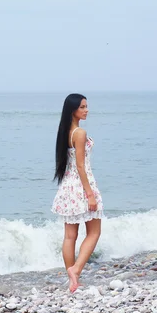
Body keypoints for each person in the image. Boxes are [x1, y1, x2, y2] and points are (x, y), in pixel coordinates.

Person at [51, 93, 104, 293]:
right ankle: (76, 270)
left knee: (69, 236)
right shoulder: (79, 133)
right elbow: (81, 166)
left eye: (86, 106)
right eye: (82, 107)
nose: (86, 110)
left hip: (67, 186)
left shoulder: (65, 131)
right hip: (81, 186)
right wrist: (90, 194)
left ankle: (71, 280)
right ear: (73, 109)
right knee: (94, 232)